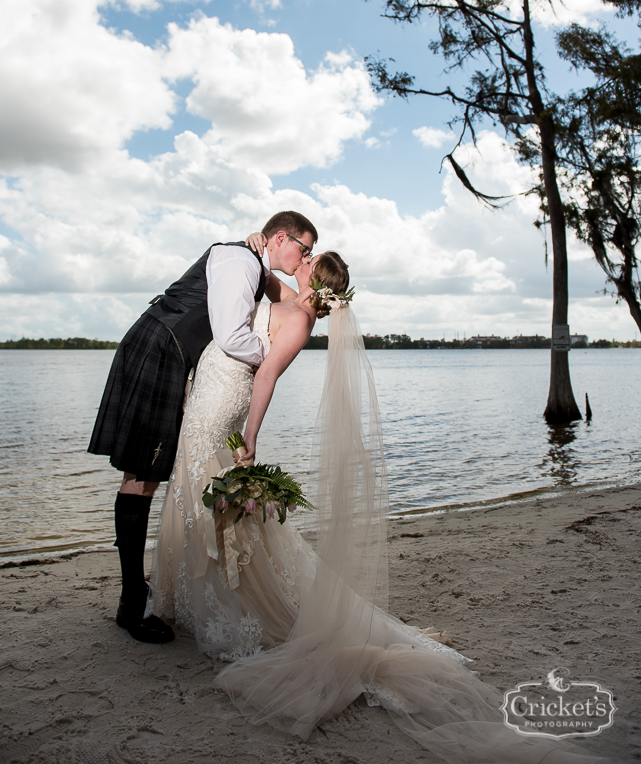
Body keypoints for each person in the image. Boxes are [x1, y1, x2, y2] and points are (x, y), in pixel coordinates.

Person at [148, 247, 603, 764]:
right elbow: (260, 273)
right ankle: (189, 588)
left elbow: (267, 376)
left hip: (229, 410)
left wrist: (251, 437)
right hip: (209, 393)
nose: (301, 257)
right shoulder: (283, 295)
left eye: (306, 258)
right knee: (199, 499)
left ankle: (224, 601)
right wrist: (262, 249)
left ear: (311, 278)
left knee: (217, 506)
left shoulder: (298, 322)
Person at [87, 211, 317, 644]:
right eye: (303, 248)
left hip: (171, 353)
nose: (304, 256)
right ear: (282, 236)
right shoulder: (240, 261)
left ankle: (134, 596)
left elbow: (291, 295)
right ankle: (132, 605)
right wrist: (270, 358)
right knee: (142, 477)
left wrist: (288, 265)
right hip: (161, 349)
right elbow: (232, 338)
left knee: (146, 476)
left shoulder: (250, 260)